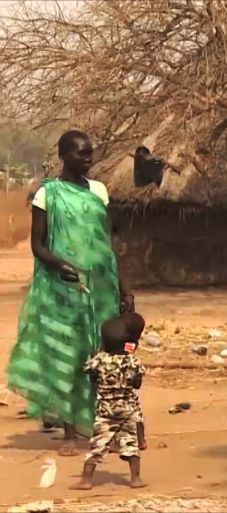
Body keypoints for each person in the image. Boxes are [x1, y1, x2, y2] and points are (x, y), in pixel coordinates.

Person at [7, 130, 133, 456]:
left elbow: (107, 244)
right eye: (82, 153)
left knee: (104, 357)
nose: (89, 159)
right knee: (69, 356)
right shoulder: (47, 195)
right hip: (64, 289)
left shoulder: (99, 190)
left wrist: (124, 289)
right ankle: (70, 433)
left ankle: (104, 427)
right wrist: (60, 264)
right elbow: (38, 245)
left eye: (90, 153)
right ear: (64, 156)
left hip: (101, 287)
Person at [71, 317, 146, 490]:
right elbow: (137, 384)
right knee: (131, 445)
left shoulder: (98, 360)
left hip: (105, 411)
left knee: (97, 445)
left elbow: (91, 377)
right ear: (127, 340)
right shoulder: (132, 361)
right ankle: (135, 479)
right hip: (127, 410)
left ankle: (86, 480)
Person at [122, 312, 148, 450]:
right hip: (132, 388)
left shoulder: (124, 345)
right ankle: (141, 440)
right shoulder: (133, 344)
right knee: (137, 414)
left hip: (122, 387)